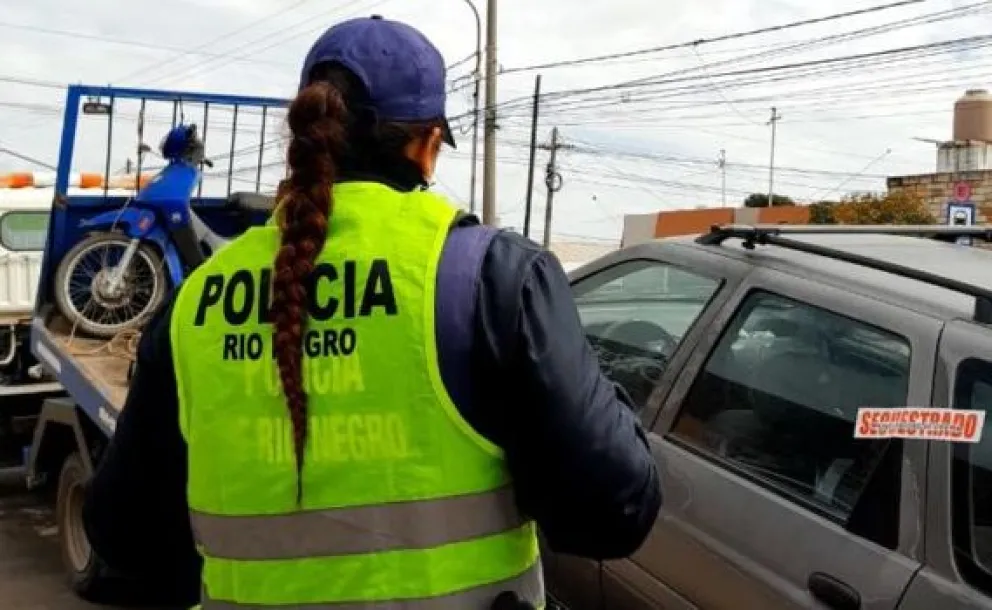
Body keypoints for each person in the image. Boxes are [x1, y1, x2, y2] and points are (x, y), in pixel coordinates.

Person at [82, 15, 661, 609]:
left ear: (304, 136)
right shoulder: (489, 278)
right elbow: (610, 514)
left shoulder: (196, 301)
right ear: (427, 146)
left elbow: (126, 537)